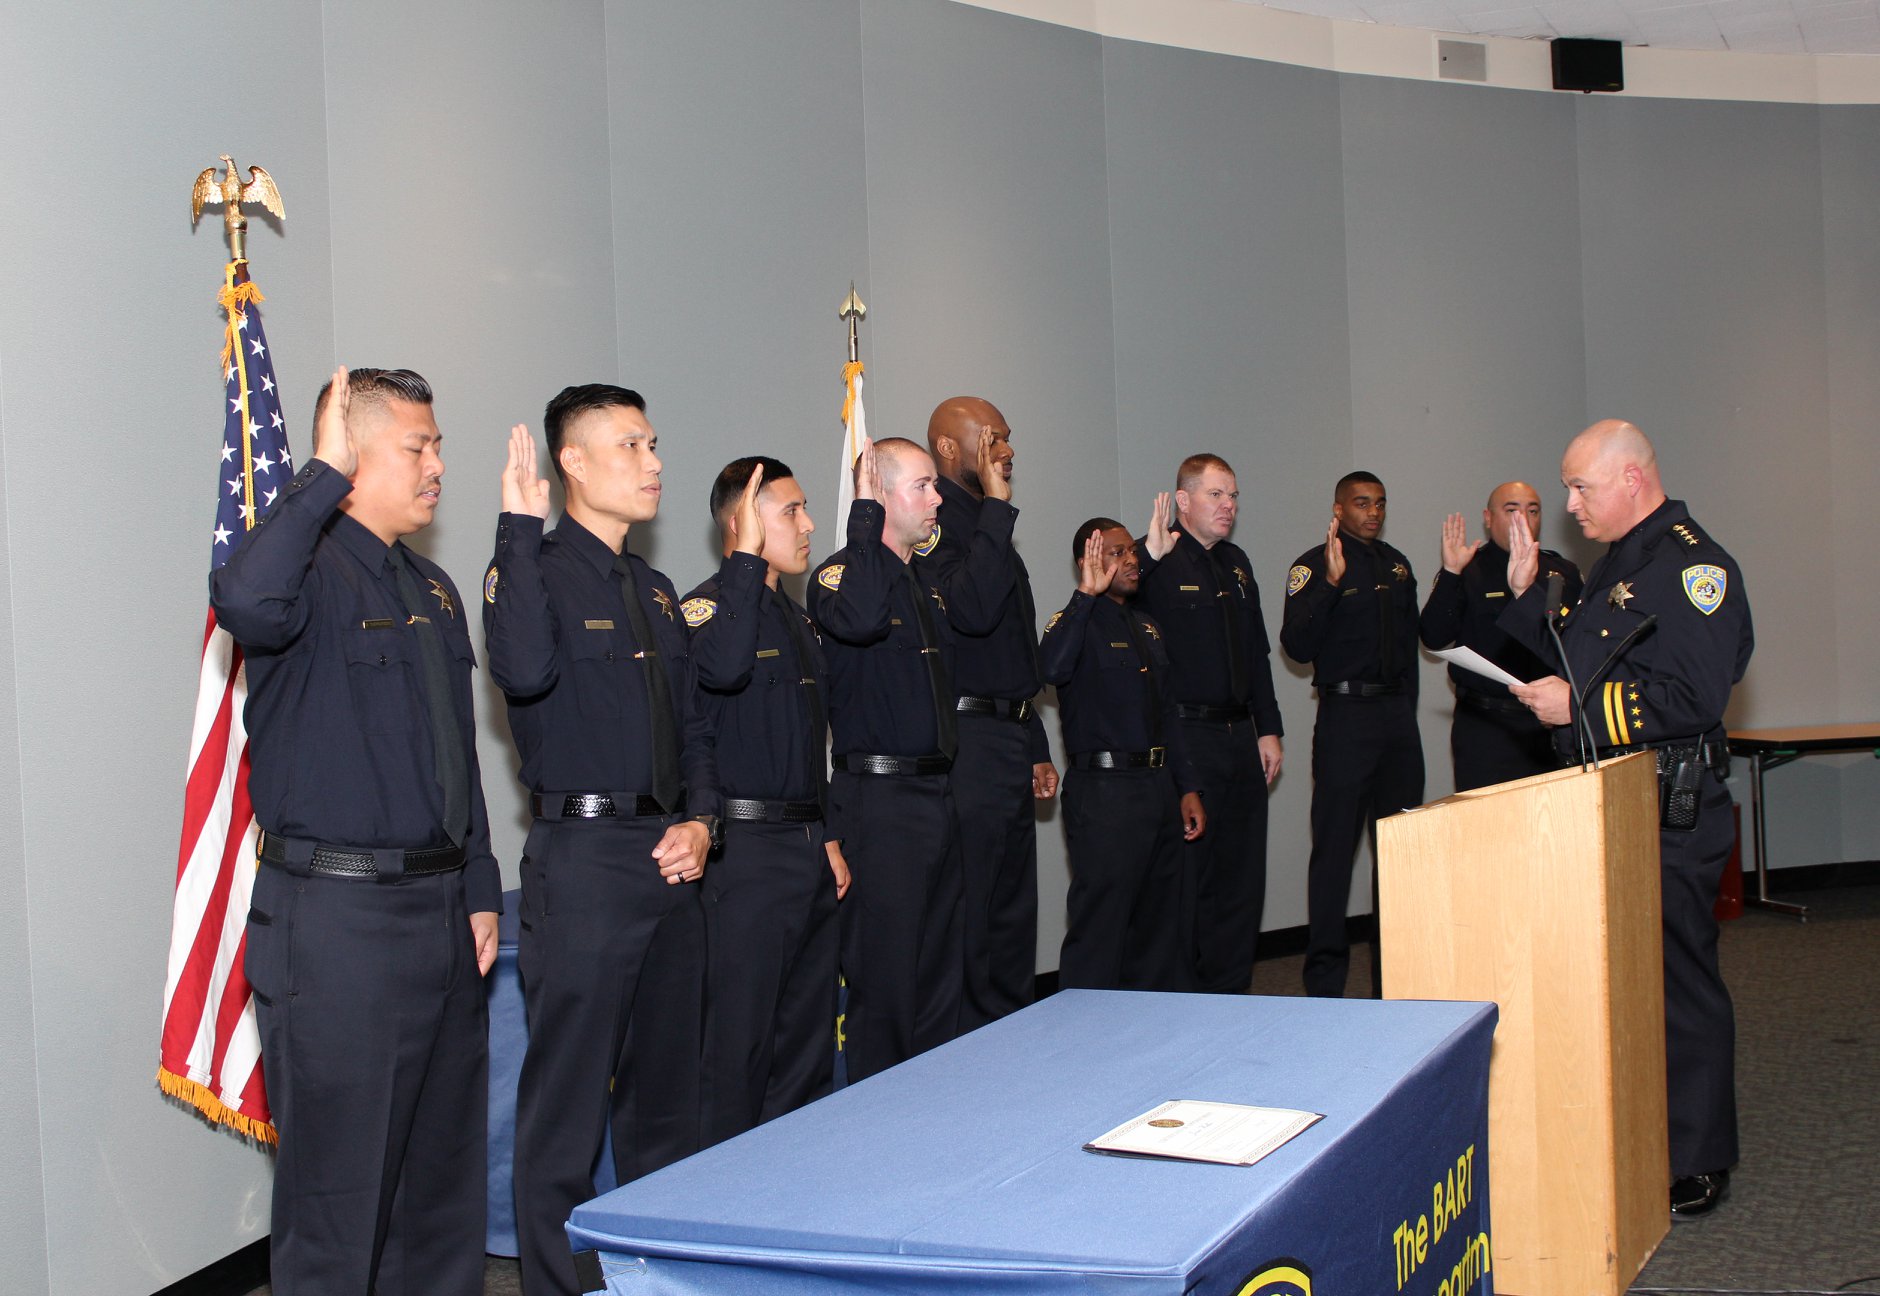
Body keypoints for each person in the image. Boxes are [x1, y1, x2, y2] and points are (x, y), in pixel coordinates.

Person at [215, 366, 499, 1295]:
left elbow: (456, 758)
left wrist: (478, 886)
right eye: (417, 447)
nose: (438, 466)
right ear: (352, 454)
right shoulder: (301, 572)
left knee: (439, 1197)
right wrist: (318, 477)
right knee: (341, 1205)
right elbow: (244, 600)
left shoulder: (434, 586)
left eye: (438, 444)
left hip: (440, 917)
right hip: (336, 925)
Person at [483, 387, 720, 1296]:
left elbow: (696, 729)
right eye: (630, 445)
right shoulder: (528, 570)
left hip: (671, 858)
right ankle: (557, 1286)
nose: (654, 461)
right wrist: (514, 527)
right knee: (567, 1112)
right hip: (582, 865)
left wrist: (700, 821)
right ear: (571, 464)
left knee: (669, 1104)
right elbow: (522, 671)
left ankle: (659, 1281)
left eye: (654, 442)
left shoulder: (655, 590)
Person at [1501, 419, 1751, 1218]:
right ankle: (1645, 1127)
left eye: (1581, 487)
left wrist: (1573, 710)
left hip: (1671, 806)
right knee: (1624, 979)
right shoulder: (1623, 562)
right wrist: (1521, 596)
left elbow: (1689, 698)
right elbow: (1586, 656)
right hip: (1616, 796)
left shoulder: (1694, 567)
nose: (1569, 504)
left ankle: (1700, 1156)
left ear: (1632, 481)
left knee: (1680, 981)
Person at [681, 457, 848, 1146]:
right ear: (741, 522)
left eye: (807, 509)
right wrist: (746, 566)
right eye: (789, 511)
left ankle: (791, 1190)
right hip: (743, 856)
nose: (808, 525)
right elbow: (719, 678)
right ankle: (720, 1206)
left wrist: (830, 834)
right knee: (738, 1045)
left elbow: (813, 743)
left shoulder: (800, 622)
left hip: (806, 848)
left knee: (805, 1042)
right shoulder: (707, 609)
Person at [808, 438, 966, 1082]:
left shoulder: (923, 585)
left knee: (937, 974)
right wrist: (866, 522)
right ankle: (879, 1132)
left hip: (935, 797)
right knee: (886, 980)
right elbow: (864, 620)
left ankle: (932, 1112)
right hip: (879, 804)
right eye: (923, 486)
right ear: (878, 493)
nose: (937, 500)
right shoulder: (841, 574)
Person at [926, 397, 1056, 1028]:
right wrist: (998, 511)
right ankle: (971, 1049)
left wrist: (1033, 741)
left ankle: (1013, 1036)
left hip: (1007, 732)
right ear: (950, 448)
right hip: (965, 740)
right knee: (974, 907)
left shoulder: (986, 521)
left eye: (1008, 439)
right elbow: (972, 612)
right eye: (993, 440)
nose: (1007, 451)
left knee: (1011, 909)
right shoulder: (935, 525)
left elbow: (1014, 653)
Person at [1136, 454, 1284, 994]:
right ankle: (1188, 1005)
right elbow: (1112, 592)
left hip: (1239, 737)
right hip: (1187, 738)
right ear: (1183, 501)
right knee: (1190, 881)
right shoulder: (1155, 557)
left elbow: (1258, 652)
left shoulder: (1237, 562)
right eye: (1216, 495)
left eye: (1234, 496)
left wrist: (1268, 727)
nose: (1229, 507)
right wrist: (1146, 555)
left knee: (1241, 880)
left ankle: (1232, 995)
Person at [1041, 519, 1206, 990]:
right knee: (1102, 926)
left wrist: (1187, 787)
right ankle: (1085, 1042)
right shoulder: (1074, 621)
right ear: (1088, 563)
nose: (1132, 560)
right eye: (1117, 553)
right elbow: (1048, 668)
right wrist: (1085, 598)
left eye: (1132, 552)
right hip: (1105, 794)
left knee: (1159, 926)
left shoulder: (1148, 626)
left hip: (1157, 790)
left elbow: (1169, 714)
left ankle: (1151, 1035)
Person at [1280, 470, 1422, 999]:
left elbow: (1409, 652)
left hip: (1396, 722)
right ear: (1338, 509)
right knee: (1335, 854)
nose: (1373, 512)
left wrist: (1406, 718)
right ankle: (1324, 988)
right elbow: (1297, 644)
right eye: (1362, 503)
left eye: (1380, 503)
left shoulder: (1397, 564)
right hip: (1345, 717)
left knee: (1402, 854)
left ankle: (1398, 979)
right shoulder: (1313, 565)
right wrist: (1331, 586)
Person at [1418, 482, 1584, 791]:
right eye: (1512, 510)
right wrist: (1451, 573)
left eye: (1533, 511)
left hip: (1547, 727)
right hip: (1485, 726)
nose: (1523, 519)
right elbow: (1433, 637)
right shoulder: (1469, 568)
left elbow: (1581, 645)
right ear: (1488, 517)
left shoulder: (1562, 572)